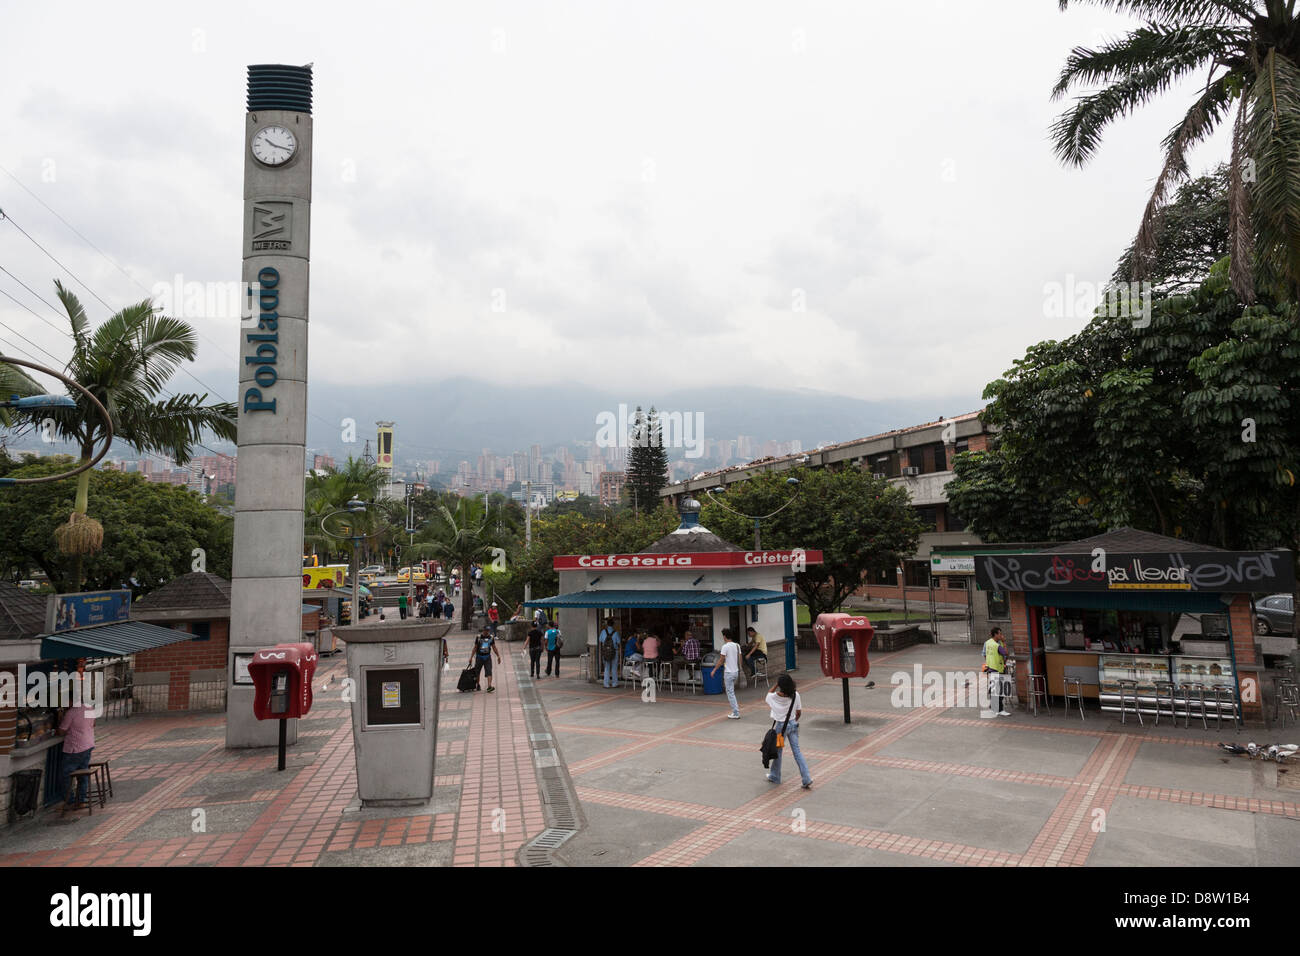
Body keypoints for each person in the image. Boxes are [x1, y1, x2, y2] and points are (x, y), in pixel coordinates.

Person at [764, 674, 813, 789]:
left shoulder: (773, 697)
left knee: (778, 752)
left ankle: (775, 776)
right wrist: (793, 721)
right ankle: (806, 778)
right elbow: (799, 712)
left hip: (781, 729)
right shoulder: (795, 695)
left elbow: (768, 694)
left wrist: (776, 683)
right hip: (793, 725)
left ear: (780, 686)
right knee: (797, 752)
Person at [57, 696, 96, 808]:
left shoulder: (71, 713)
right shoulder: (89, 708)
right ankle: (81, 799)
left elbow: (61, 731)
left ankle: (70, 801)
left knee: (65, 775)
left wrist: (60, 717)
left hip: (75, 748)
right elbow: (93, 724)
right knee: (82, 773)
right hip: (88, 745)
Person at [711, 628, 742, 718]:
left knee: (730, 692)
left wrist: (714, 670)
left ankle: (736, 712)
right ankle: (735, 711)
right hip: (736, 671)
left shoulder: (725, 647)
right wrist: (740, 668)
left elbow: (721, 660)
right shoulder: (737, 645)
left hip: (728, 672)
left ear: (724, 636)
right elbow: (740, 658)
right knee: (731, 692)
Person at [983, 626, 1011, 717]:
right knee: (999, 690)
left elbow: (984, 654)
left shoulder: (987, 643)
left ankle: (994, 707)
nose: (1001, 635)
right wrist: (1004, 642)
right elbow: (1006, 653)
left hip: (991, 668)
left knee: (994, 689)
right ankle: (1000, 709)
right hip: (998, 669)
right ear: (995, 634)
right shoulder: (997, 645)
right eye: (1000, 634)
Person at [471, 626, 502, 692]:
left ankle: (489, 686)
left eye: (488, 630)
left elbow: (494, 647)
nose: (487, 632)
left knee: (489, 671)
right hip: (479, 657)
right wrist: (471, 657)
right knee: (477, 672)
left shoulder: (491, 637)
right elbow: (475, 648)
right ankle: (478, 684)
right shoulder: (479, 637)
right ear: (483, 630)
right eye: (486, 630)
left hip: (487, 657)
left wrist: (498, 656)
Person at [598, 618, 622, 688]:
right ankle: (615, 684)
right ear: (613, 624)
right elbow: (619, 643)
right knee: (614, 668)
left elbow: (601, 641)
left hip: (606, 652)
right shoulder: (616, 633)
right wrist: (620, 652)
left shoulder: (603, 631)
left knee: (607, 668)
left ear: (607, 624)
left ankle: (606, 684)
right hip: (614, 651)